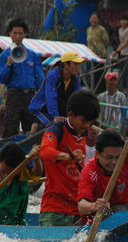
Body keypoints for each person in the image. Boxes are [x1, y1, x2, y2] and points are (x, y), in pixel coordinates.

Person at [77, 110, 128, 223]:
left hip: (122, 209)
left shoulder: (124, 160)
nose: (114, 162)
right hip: (98, 217)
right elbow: (81, 206)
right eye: (109, 157)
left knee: (123, 210)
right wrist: (94, 206)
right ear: (97, 154)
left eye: (117, 157)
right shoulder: (89, 171)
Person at [39, 89, 99, 226]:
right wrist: (67, 156)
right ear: (70, 115)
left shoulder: (86, 134)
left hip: (80, 208)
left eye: (90, 122)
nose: (86, 126)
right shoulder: (56, 130)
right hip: (54, 209)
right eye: (83, 121)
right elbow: (45, 151)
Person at [0, 18, 44, 138]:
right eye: (15, 33)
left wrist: (42, 96)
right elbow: (1, 79)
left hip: (30, 96)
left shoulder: (32, 55)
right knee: (10, 130)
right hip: (14, 96)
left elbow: (40, 78)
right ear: (9, 34)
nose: (17, 36)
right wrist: (8, 65)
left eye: (20, 33)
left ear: (25, 34)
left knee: (32, 130)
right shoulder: (4, 56)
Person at [28, 51, 84, 131]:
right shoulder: (53, 76)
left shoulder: (75, 79)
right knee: (51, 125)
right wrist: (55, 116)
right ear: (65, 64)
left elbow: (77, 99)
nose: (78, 67)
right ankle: (36, 128)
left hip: (59, 111)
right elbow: (51, 97)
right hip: (40, 110)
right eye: (75, 64)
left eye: (79, 64)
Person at [111, 13, 128, 89]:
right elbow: (121, 42)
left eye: (125, 20)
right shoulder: (120, 30)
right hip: (122, 53)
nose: (123, 22)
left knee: (127, 73)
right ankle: (124, 89)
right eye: (122, 20)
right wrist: (117, 51)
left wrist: (117, 51)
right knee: (123, 72)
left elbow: (126, 43)